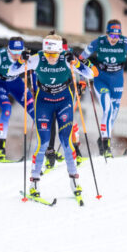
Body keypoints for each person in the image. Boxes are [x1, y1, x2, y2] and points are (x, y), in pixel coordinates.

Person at [26, 34, 95, 204]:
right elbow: (13, 70)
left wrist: (78, 63)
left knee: (66, 141)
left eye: (54, 54)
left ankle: (75, 183)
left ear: (59, 51)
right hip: (43, 102)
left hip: (64, 101)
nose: (50, 58)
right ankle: (34, 184)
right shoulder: (37, 59)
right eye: (47, 54)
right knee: (42, 142)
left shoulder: (66, 58)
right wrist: (22, 60)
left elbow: (91, 74)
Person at [78, 19, 127, 158]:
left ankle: (102, 139)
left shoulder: (125, 42)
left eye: (116, 36)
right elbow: (81, 58)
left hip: (117, 82)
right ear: (107, 34)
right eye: (111, 35)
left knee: (112, 116)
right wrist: (82, 79)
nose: (113, 39)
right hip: (101, 80)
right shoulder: (99, 42)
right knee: (108, 109)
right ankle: (106, 145)